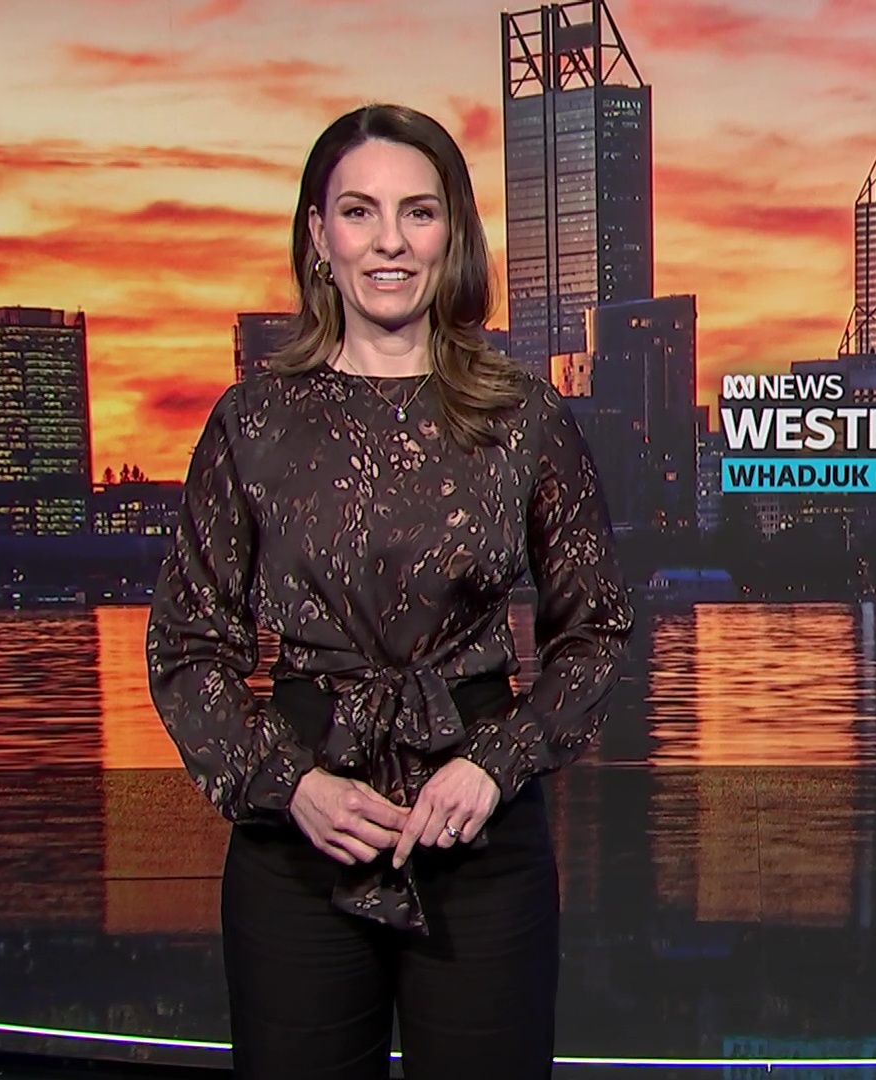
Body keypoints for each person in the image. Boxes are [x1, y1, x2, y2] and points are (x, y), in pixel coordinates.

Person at [146, 103, 634, 1080]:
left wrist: (495, 765)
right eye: (359, 212)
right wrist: (294, 786)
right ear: (319, 236)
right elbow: (187, 648)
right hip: (300, 835)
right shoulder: (252, 420)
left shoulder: (525, 417)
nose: (390, 242)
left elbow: (596, 633)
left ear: (453, 235)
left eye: (419, 212)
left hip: (479, 830)